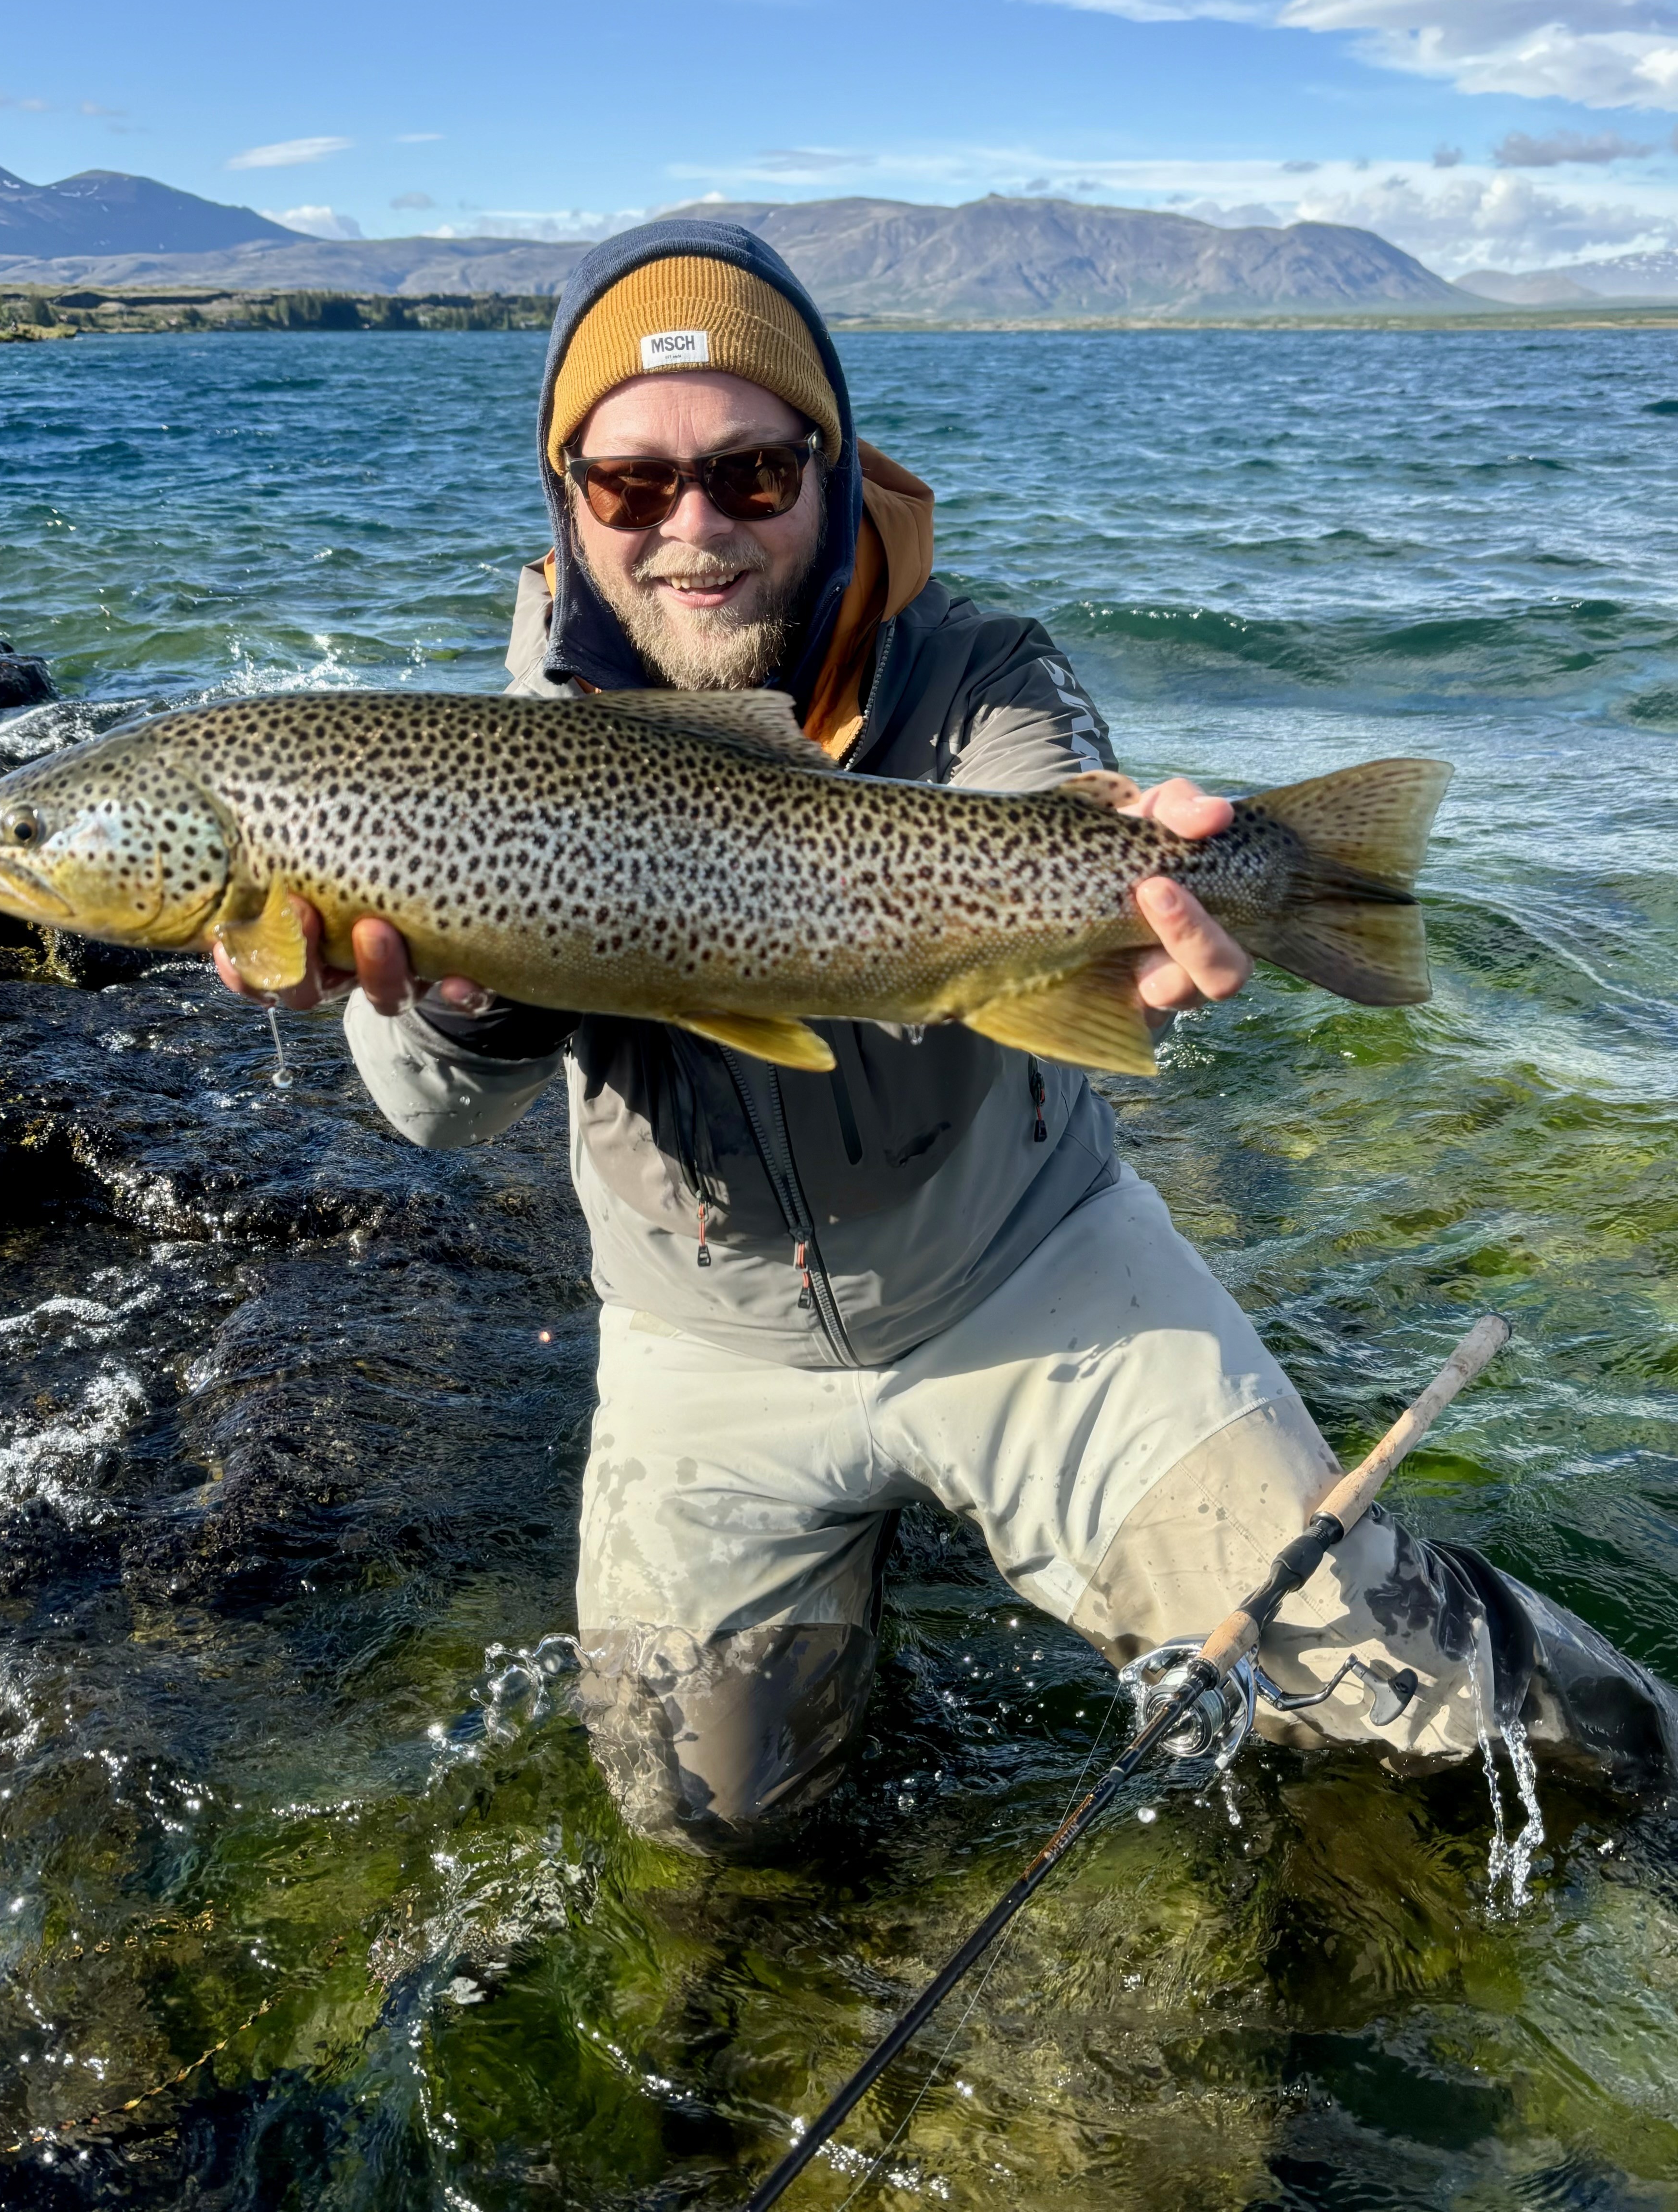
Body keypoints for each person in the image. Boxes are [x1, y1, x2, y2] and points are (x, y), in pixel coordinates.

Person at [219, 218, 1677, 1849]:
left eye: (753, 476)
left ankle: (1658, 1751)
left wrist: (1157, 872)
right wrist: (474, 988)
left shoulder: (987, 671)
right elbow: (428, 1115)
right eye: (633, 486)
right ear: (569, 503)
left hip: (1029, 1277)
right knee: (702, 1813)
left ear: (836, 469)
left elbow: (1051, 813)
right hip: (712, 1344)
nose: (692, 529)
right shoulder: (480, 759)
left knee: (1428, 1707)